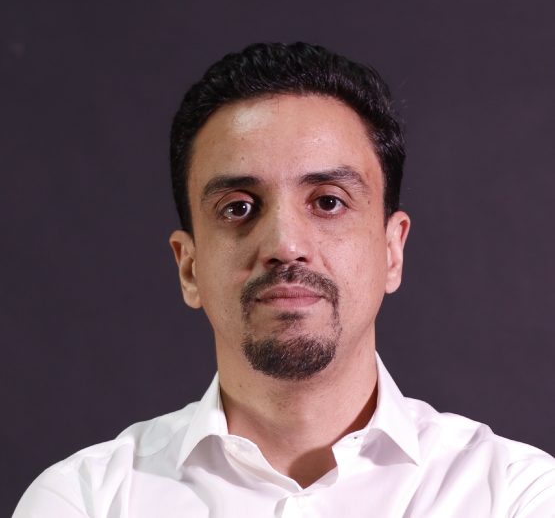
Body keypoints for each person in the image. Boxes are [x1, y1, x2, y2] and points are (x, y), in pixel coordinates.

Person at [14, 42, 555, 517]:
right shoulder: (85, 501)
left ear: (392, 251)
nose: (284, 244)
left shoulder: (514, 495)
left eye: (328, 202)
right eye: (238, 207)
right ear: (189, 266)